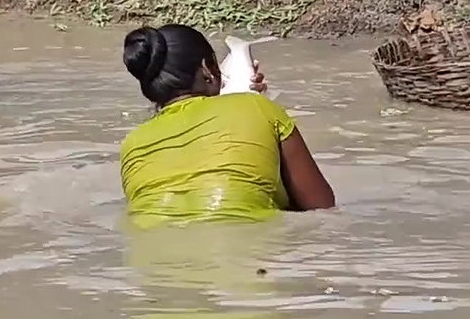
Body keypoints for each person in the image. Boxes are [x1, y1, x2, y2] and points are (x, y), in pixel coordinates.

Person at [118, 24, 335, 225]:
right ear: (207, 68)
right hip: (245, 248)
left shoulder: (132, 144)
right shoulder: (257, 108)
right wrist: (260, 106)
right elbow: (321, 208)